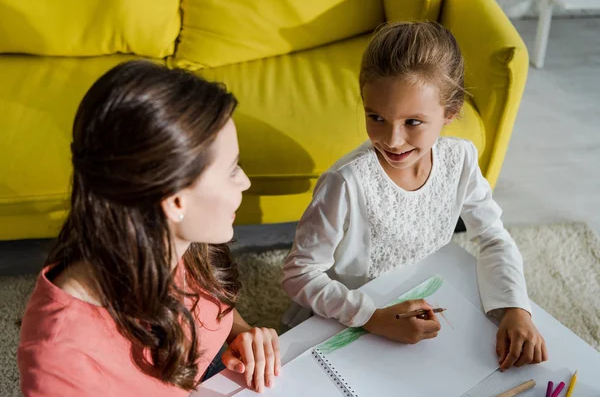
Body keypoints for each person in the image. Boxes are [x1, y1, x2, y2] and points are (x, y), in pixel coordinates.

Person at [281, 22, 548, 371]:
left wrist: (516, 308)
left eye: (413, 123)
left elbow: (493, 237)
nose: (392, 139)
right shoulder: (345, 183)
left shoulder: (461, 160)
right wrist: (371, 317)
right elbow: (298, 274)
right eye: (376, 117)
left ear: (449, 114)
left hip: (423, 304)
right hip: (348, 315)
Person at [18, 60, 280, 396]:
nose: (245, 182)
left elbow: (209, 311)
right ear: (174, 201)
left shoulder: (182, 242)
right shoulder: (60, 360)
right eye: (232, 169)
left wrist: (240, 333)